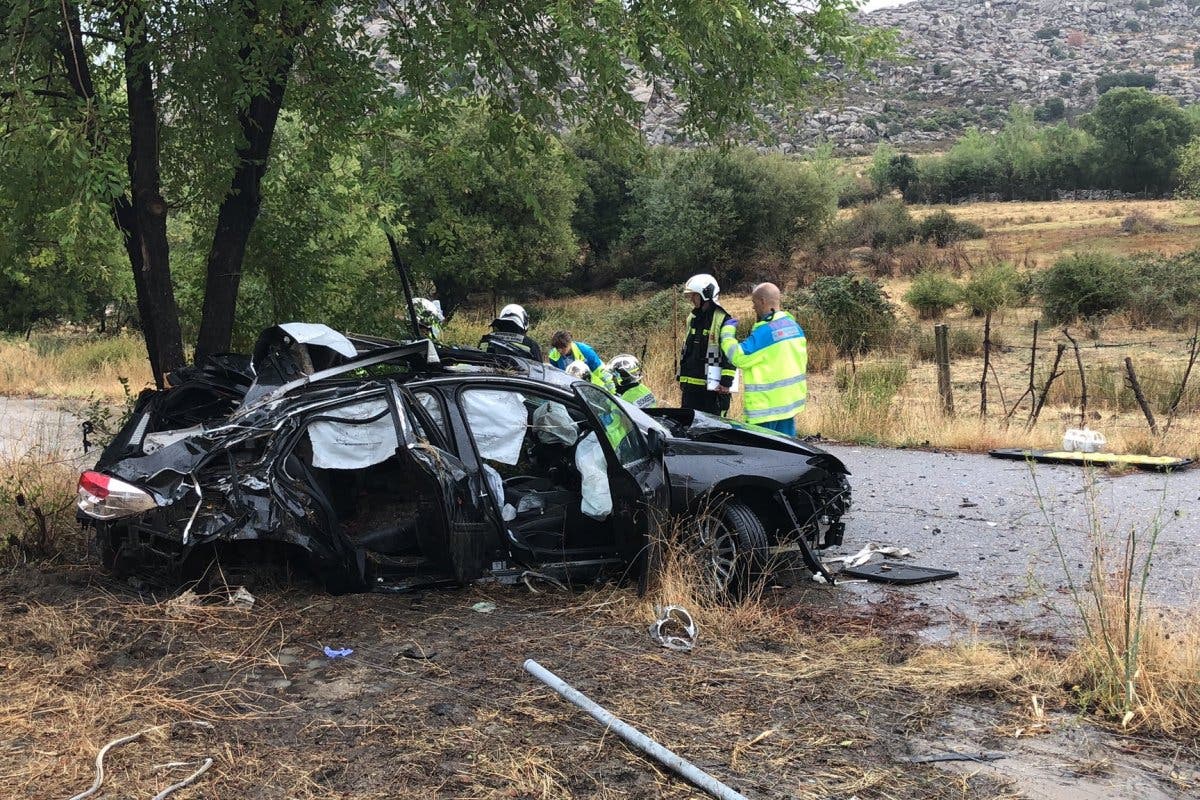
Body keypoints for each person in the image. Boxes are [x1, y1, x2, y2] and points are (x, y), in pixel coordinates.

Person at [719, 282, 807, 437]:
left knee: (761, 454)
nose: (753, 307)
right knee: (787, 451)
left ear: (762, 302)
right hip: (788, 405)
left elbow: (739, 357)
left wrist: (727, 333)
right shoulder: (794, 326)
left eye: (754, 303)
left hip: (766, 409)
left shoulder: (766, 332)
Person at [677, 273, 735, 415]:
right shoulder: (692, 317)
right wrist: (682, 377)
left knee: (712, 430)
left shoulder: (724, 320)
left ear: (705, 295)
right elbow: (688, 349)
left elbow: (731, 354)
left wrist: (726, 382)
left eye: (694, 295)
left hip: (713, 390)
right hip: (690, 388)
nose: (691, 299)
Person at [548, 330, 614, 391]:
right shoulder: (553, 355)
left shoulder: (586, 351)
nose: (559, 350)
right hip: (570, 387)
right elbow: (557, 375)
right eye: (557, 348)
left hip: (593, 385)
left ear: (570, 343)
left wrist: (611, 389)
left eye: (563, 347)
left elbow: (600, 371)